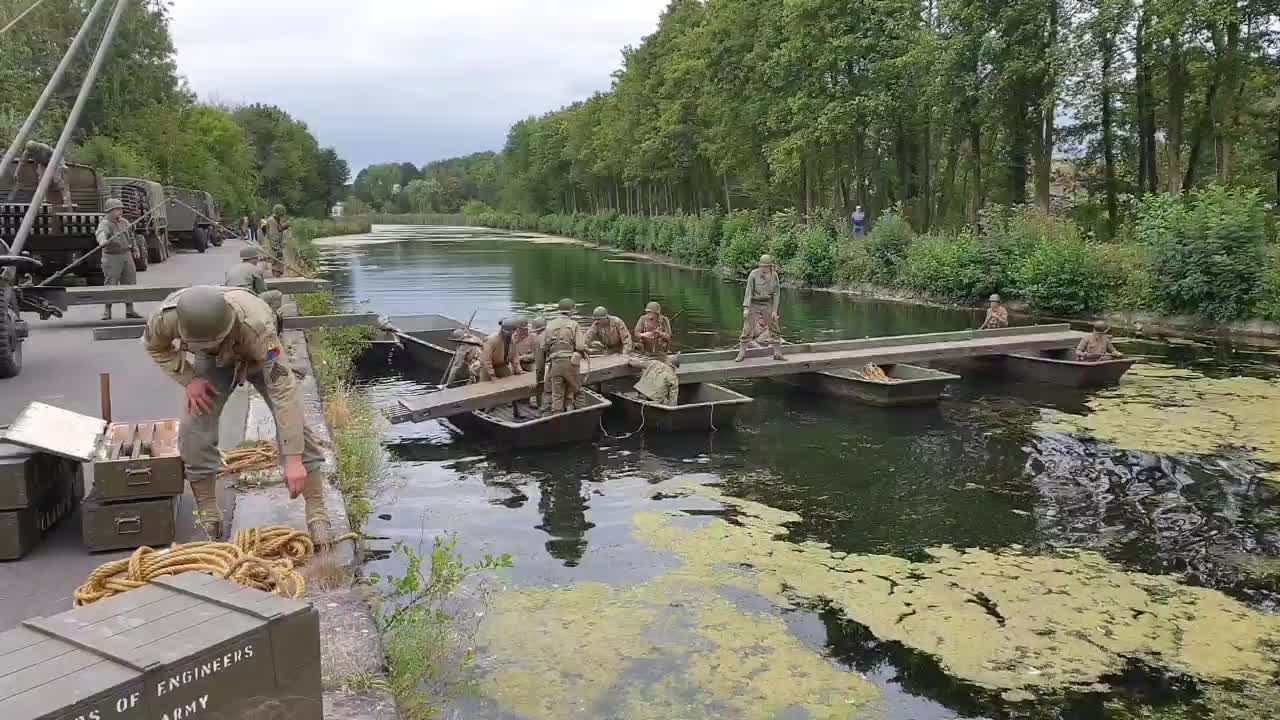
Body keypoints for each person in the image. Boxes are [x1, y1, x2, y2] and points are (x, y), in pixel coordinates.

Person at [142, 286, 331, 543]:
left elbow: (284, 394)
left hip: (256, 354)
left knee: (295, 423)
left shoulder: (259, 329)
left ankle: (317, 512)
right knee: (194, 426)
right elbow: (155, 347)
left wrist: (294, 458)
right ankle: (208, 511)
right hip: (213, 361)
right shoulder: (165, 318)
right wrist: (189, 379)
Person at [538, 298, 588, 414]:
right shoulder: (574, 324)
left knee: (557, 394)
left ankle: (557, 420)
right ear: (571, 310)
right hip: (570, 364)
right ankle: (583, 416)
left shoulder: (550, 325)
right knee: (578, 391)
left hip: (555, 364)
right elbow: (580, 346)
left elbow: (543, 346)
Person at [96, 198, 142, 321]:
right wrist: (102, 241)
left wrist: (135, 249)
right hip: (111, 257)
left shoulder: (125, 222)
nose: (120, 211)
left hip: (126, 255)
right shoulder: (105, 223)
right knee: (111, 283)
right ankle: (107, 311)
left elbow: (131, 237)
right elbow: (101, 233)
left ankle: (130, 310)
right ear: (110, 211)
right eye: (117, 209)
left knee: (130, 282)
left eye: (121, 209)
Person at [735, 254, 784, 362]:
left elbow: (776, 294)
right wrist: (746, 308)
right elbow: (748, 291)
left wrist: (775, 311)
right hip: (754, 302)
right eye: (762, 266)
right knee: (748, 327)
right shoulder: (753, 274)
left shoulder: (774, 275)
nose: (764, 268)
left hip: (767, 303)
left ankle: (777, 353)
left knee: (774, 326)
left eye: (766, 266)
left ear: (770, 266)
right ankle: (742, 352)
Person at [225, 245, 283, 313]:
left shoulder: (232, 269)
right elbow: (261, 290)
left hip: (231, 299)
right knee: (277, 294)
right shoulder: (255, 269)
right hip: (247, 300)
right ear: (254, 258)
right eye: (257, 258)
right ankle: (269, 316)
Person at [22, 140, 71, 209]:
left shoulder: (45, 148)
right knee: (41, 181)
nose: (33, 152)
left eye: (33, 150)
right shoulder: (28, 152)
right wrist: (17, 171)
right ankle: (43, 199)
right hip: (43, 164)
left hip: (54, 162)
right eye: (31, 151)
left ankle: (64, 197)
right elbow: (23, 161)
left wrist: (62, 165)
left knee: (57, 179)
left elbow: (58, 156)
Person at [264, 204, 290, 277]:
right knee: (277, 264)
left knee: (278, 264)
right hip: (273, 246)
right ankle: (276, 278)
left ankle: (277, 276)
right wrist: (277, 249)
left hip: (275, 246)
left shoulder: (275, 220)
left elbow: (278, 230)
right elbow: (273, 236)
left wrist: (283, 227)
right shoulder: (272, 220)